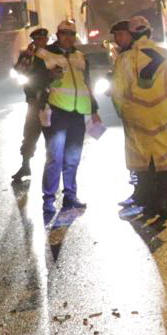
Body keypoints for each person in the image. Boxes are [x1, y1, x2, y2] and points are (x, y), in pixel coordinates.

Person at [111, 16, 167, 225]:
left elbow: (117, 92)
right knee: (164, 162)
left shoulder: (123, 60)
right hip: (162, 117)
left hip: (136, 120)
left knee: (143, 165)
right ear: (150, 32)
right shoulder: (166, 55)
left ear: (132, 34)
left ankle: (148, 205)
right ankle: (163, 202)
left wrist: (123, 113)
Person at [36, 20, 103, 223]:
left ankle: (70, 197)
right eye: (64, 33)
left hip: (77, 114)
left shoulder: (80, 57)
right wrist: (47, 76)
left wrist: (94, 109)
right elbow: (33, 81)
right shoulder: (44, 55)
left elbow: (87, 84)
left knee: (72, 157)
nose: (68, 37)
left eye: (71, 34)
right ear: (58, 34)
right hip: (55, 112)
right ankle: (48, 200)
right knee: (55, 157)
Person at [10, 27, 50, 182]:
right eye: (38, 40)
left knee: (51, 137)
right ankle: (25, 165)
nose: (41, 42)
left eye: (43, 39)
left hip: (51, 102)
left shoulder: (52, 54)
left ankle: (52, 168)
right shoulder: (29, 56)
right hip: (34, 102)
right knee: (29, 135)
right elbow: (19, 71)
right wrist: (27, 55)